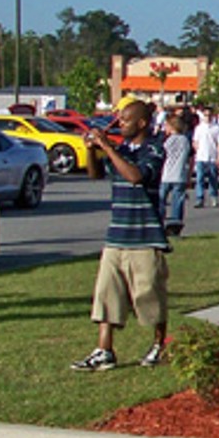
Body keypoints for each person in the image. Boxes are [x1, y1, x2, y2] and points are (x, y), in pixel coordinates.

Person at [71, 99, 170, 371]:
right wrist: (91, 150)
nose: (120, 124)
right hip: (117, 235)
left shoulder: (155, 149)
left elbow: (136, 176)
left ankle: (159, 344)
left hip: (145, 237)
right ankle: (104, 350)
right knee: (106, 295)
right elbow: (94, 174)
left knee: (150, 296)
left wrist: (107, 147)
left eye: (125, 120)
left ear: (141, 123)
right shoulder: (121, 150)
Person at [160, 109, 192, 236]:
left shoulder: (169, 141)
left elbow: (163, 154)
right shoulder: (185, 140)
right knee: (177, 201)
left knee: (161, 200)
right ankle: (175, 224)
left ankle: (160, 221)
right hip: (180, 175)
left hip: (167, 174)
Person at [191, 107, 219, 206]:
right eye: (205, 115)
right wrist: (197, 150)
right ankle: (199, 198)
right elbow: (195, 141)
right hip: (201, 158)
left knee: (213, 179)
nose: (207, 117)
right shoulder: (199, 128)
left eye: (209, 115)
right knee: (200, 179)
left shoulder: (216, 128)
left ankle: (214, 197)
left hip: (212, 158)